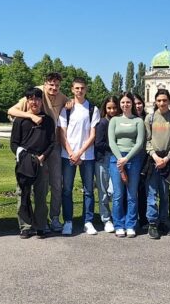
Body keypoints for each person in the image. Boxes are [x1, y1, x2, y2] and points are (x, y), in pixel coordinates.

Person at [8, 72, 68, 231]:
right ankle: (27, 224)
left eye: (57, 85)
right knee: (25, 189)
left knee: (54, 184)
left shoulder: (62, 96)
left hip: (50, 145)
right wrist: (31, 117)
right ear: (45, 83)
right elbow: (11, 110)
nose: (54, 87)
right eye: (51, 84)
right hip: (29, 151)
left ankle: (53, 218)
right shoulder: (36, 93)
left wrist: (70, 103)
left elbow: (74, 102)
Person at [57, 77, 101, 236]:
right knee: (67, 189)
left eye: (82, 88)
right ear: (72, 89)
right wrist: (71, 153)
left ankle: (87, 221)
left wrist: (80, 152)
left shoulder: (92, 109)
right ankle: (68, 221)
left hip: (86, 156)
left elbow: (93, 135)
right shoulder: (66, 109)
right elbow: (62, 134)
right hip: (67, 155)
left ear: (86, 89)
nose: (79, 91)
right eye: (77, 88)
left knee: (88, 190)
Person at [10, 87, 56, 238]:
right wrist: (23, 157)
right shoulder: (20, 120)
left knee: (41, 196)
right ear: (27, 101)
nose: (34, 102)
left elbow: (52, 142)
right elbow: (14, 143)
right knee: (23, 194)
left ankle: (41, 225)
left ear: (41, 101)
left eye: (37, 99)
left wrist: (43, 157)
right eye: (31, 99)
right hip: (24, 161)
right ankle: (25, 226)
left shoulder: (48, 121)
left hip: (41, 161)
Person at [144, 89, 170, 239]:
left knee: (165, 194)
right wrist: (154, 156)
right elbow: (147, 140)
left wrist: (166, 159)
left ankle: (163, 222)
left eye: (164, 100)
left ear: (169, 101)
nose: (162, 103)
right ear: (155, 102)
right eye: (159, 100)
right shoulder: (150, 118)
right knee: (152, 194)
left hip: (168, 160)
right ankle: (152, 224)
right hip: (153, 160)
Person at [108, 92, 146, 237]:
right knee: (118, 195)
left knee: (132, 195)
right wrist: (120, 159)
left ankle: (131, 224)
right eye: (123, 102)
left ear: (132, 104)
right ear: (120, 104)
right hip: (116, 159)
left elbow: (139, 142)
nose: (125, 105)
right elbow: (112, 141)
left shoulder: (138, 121)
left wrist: (127, 158)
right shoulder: (114, 121)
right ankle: (119, 224)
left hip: (133, 159)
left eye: (128, 102)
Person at [93, 96, 120, 233]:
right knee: (103, 191)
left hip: (116, 159)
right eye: (109, 108)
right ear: (105, 108)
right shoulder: (103, 123)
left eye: (114, 108)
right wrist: (114, 146)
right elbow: (98, 143)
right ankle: (106, 218)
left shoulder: (120, 121)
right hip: (103, 159)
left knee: (115, 190)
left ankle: (117, 217)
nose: (112, 110)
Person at [132, 95, 150, 227]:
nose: (137, 106)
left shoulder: (148, 119)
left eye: (139, 103)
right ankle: (131, 218)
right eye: (135, 104)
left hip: (145, 158)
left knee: (143, 190)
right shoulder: (128, 119)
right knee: (130, 190)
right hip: (131, 158)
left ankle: (143, 218)